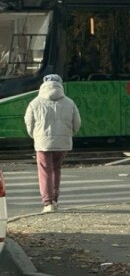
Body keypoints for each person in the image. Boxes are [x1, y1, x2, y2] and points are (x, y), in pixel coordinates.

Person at [24, 74, 81, 213]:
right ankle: (55, 200)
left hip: (42, 143)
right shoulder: (69, 102)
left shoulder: (35, 102)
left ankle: (47, 202)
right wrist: (67, 134)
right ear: (60, 85)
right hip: (62, 143)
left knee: (45, 171)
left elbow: (29, 123)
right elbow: (77, 124)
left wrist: (36, 136)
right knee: (56, 169)